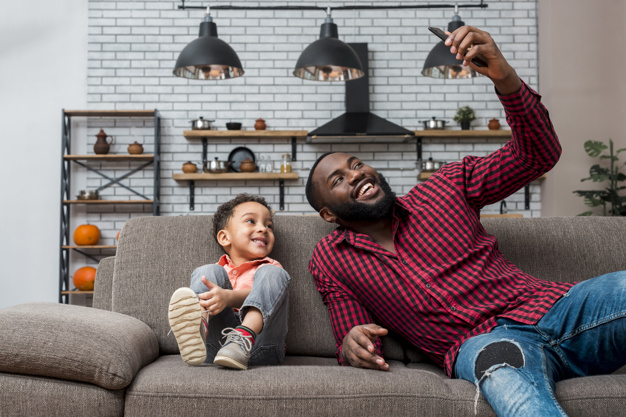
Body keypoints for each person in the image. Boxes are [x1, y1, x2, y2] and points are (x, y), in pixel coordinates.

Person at [305, 26, 626, 416]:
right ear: (327, 214)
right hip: (483, 344)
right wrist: (353, 344)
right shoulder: (330, 259)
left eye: (356, 165)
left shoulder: (445, 188)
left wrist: (504, 78)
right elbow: (355, 336)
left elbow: (537, 155)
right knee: (501, 367)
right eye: (338, 179)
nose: (356, 174)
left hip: (557, 310)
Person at [168, 193, 291, 370]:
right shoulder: (218, 273)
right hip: (215, 348)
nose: (263, 229)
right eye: (251, 221)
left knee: (275, 274)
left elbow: (265, 295)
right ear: (225, 238)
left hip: (262, 346)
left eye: (268, 225)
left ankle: (243, 336)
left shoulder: (270, 268)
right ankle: (198, 329)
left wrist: (228, 297)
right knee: (206, 271)